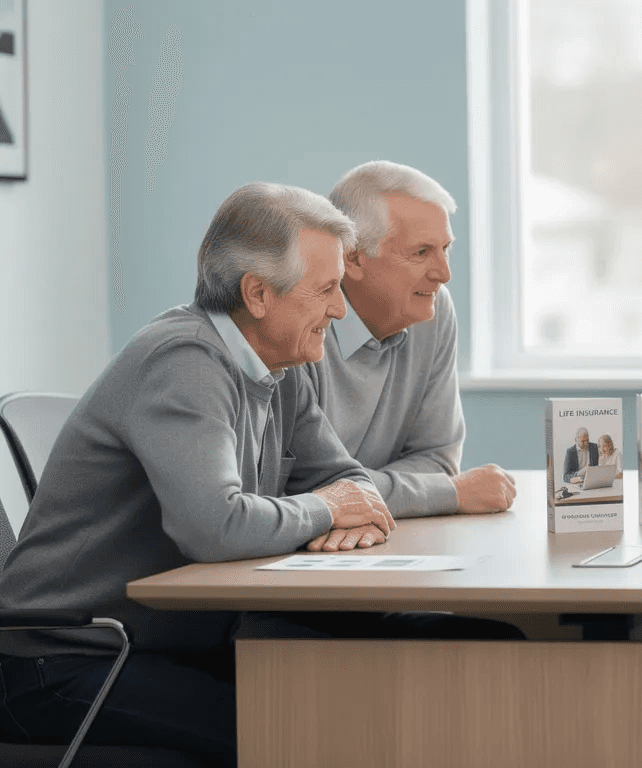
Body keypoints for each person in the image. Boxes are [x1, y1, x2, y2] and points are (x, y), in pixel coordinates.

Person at [0, 183, 395, 765]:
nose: (340, 310)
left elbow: (346, 476)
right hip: (68, 664)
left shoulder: (282, 365)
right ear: (257, 294)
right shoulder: (184, 360)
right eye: (328, 289)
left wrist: (353, 504)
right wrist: (330, 509)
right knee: (302, 728)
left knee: (364, 694)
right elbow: (214, 527)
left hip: (169, 641)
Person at [306, 160, 515, 524]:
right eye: (421, 252)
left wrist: (361, 503)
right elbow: (306, 489)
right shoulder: (299, 322)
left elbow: (436, 458)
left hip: (371, 537)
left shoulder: (431, 310)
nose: (443, 274)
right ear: (352, 258)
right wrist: (451, 493)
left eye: (445, 249)